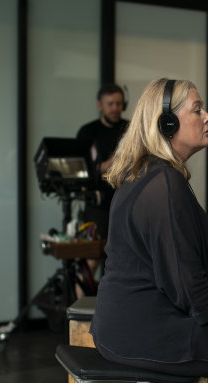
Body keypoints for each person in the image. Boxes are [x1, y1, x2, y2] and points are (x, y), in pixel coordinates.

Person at [89, 78, 208, 383]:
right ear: (167, 123)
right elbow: (184, 278)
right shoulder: (162, 183)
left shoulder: (146, 175)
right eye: (197, 109)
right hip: (141, 334)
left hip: (124, 328)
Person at [75, 83, 128, 297]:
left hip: (125, 205)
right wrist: (107, 164)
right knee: (92, 260)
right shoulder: (88, 132)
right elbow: (80, 169)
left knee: (123, 261)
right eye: (111, 104)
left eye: (119, 103)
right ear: (100, 105)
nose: (115, 108)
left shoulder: (130, 128)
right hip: (98, 208)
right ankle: (79, 316)